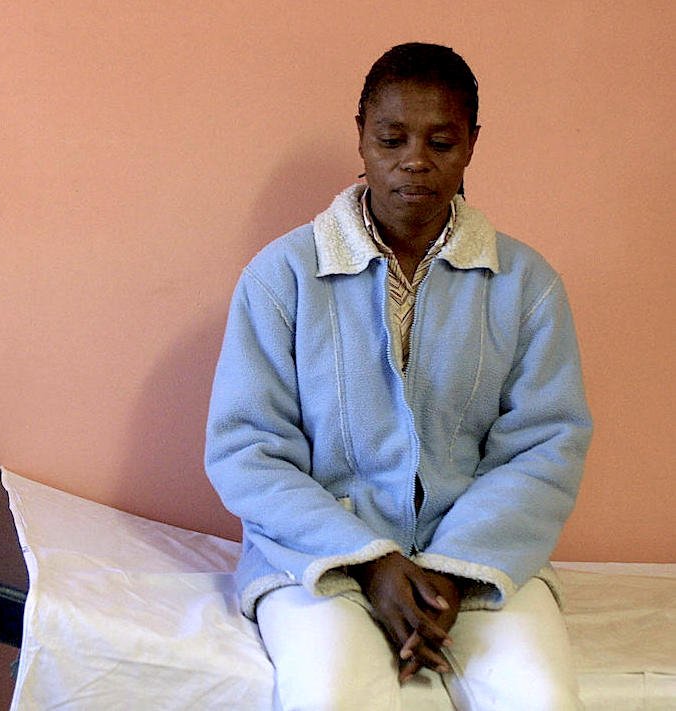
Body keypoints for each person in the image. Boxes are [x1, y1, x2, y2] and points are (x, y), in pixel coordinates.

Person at [204, 43, 592, 710]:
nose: (415, 158)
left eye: (441, 140)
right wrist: (370, 559)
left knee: (542, 697)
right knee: (332, 696)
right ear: (361, 141)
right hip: (317, 561)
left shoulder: (526, 285)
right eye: (392, 138)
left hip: (474, 561)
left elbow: (545, 447)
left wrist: (448, 569)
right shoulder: (284, 277)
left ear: (471, 144)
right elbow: (247, 450)